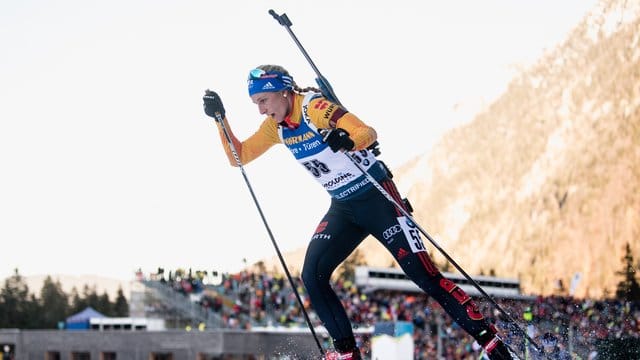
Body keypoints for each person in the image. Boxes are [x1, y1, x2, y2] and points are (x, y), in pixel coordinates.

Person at [203, 64, 514, 360]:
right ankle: (347, 352)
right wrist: (220, 119)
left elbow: (367, 132)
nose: (261, 109)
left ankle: (489, 339)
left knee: (424, 276)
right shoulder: (275, 127)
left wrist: (347, 140)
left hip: (377, 198)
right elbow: (238, 156)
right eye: (255, 103)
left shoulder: (314, 108)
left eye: (263, 100)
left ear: (284, 92)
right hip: (344, 207)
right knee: (312, 275)